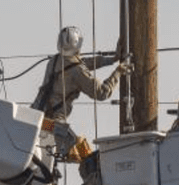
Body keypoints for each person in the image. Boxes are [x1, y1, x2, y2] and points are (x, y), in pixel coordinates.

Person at [31, 25, 132, 161]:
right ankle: (95, 178)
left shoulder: (54, 60)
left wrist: (112, 59)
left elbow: (82, 64)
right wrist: (118, 73)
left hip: (36, 119)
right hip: (54, 126)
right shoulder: (77, 71)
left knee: (65, 151)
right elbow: (101, 93)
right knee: (83, 155)